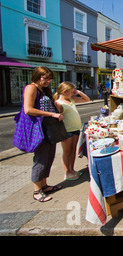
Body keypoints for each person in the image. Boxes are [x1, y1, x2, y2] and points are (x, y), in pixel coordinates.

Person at [23, 66, 64, 202]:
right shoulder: (31, 88)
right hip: (39, 128)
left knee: (49, 156)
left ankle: (44, 185)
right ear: (37, 76)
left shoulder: (44, 90)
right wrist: (51, 113)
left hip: (49, 127)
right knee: (40, 159)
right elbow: (28, 109)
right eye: (45, 78)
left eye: (49, 78)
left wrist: (57, 107)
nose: (47, 81)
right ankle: (37, 190)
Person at [55, 81, 91, 181]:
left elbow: (87, 99)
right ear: (64, 91)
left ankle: (72, 169)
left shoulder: (71, 99)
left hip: (75, 129)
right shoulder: (59, 103)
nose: (73, 93)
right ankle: (67, 172)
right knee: (67, 152)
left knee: (73, 150)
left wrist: (78, 92)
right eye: (71, 92)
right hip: (67, 130)